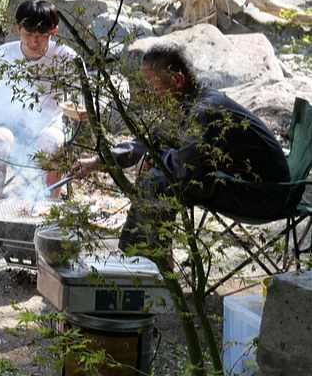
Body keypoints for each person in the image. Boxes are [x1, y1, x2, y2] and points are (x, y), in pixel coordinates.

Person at [72, 42, 288, 257]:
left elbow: (188, 168)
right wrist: (99, 162)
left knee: (157, 181)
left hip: (263, 195)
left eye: (152, 85)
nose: (148, 92)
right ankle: (146, 256)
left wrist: (153, 160)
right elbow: (153, 141)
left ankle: (152, 260)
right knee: (156, 176)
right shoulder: (190, 102)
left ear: (177, 80)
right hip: (238, 183)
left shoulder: (205, 111)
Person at [0, 0, 77, 241]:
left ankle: (50, 214)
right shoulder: (1, 55)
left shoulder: (65, 57)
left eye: (41, 36)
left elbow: (86, 94)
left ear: (54, 31)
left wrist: (85, 111)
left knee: (52, 142)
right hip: (4, 123)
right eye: (28, 34)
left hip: (47, 125)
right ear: (18, 28)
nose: (34, 42)